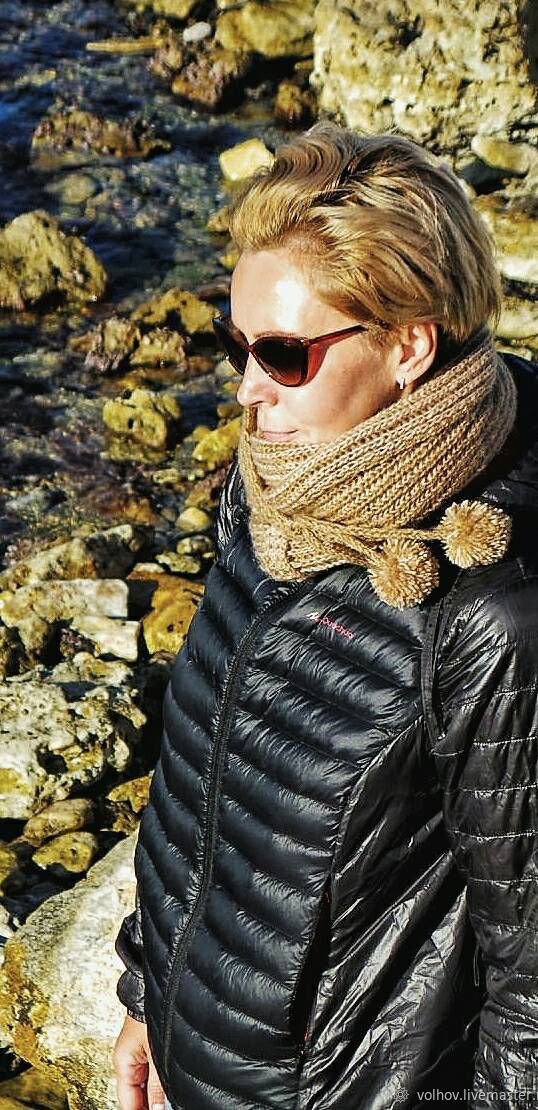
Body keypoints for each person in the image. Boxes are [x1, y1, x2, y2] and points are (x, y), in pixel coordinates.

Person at [112, 121, 538, 1110]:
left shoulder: (492, 615)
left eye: (283, 354)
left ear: (408, 346)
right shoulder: (276, 480)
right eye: (236, 344)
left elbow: (530, 985)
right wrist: (150, 994)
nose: (247, 392)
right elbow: (201, 773)